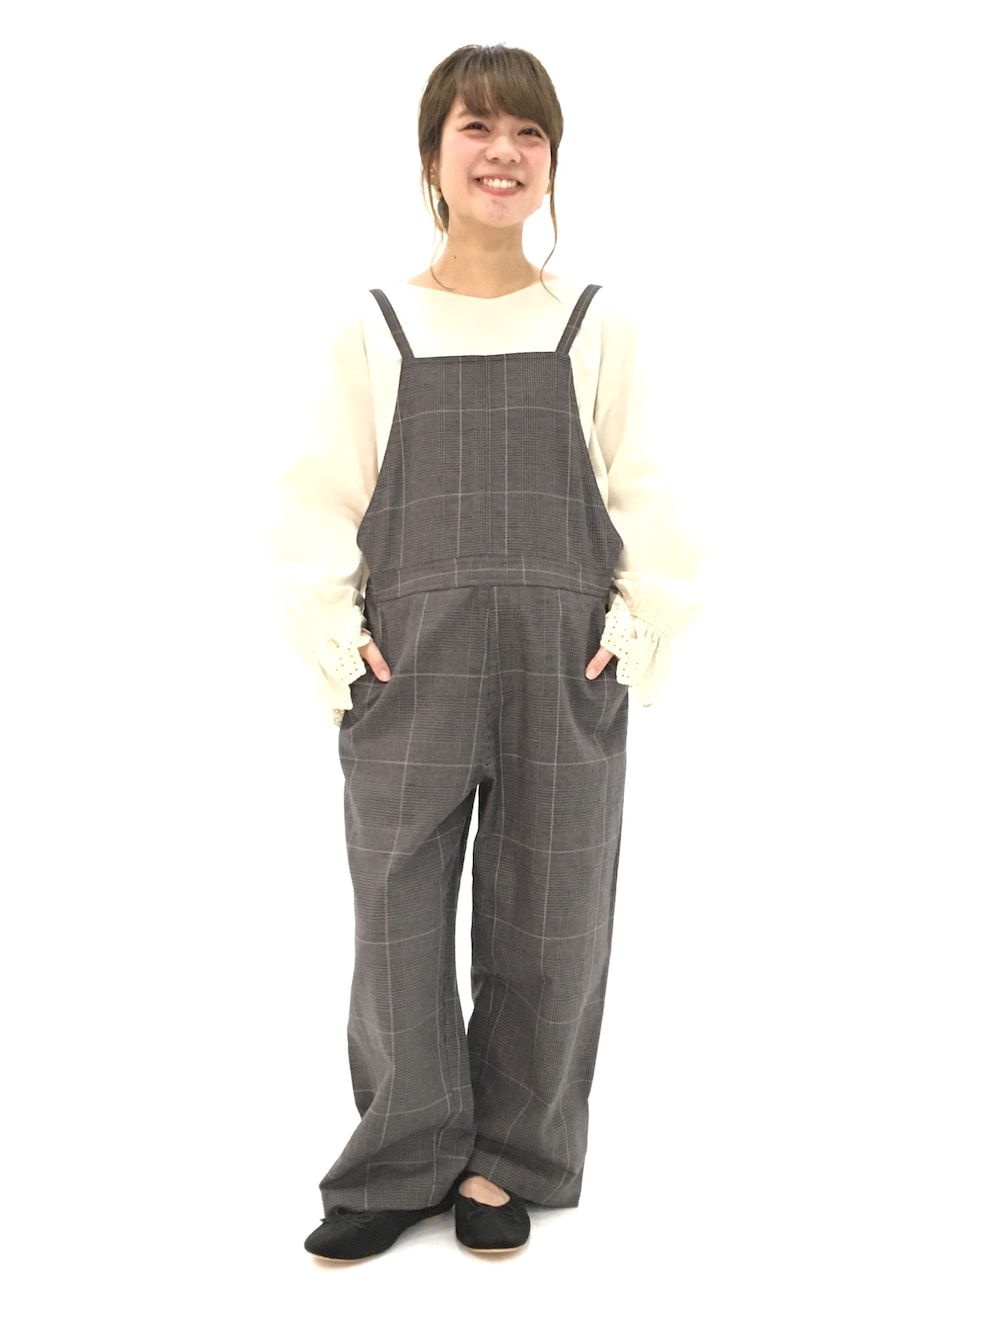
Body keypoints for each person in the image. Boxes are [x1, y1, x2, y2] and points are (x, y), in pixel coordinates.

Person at [273, 43, 700, 1261]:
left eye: (528, 132)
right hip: (411, 661)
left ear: (552, 160)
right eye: (477, 127)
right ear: (432, 155)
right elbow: (316, 499)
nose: (502, 152)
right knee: (395, 917)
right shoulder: (375, 324)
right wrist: (342, 638)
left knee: (552, 918)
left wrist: (633, 625)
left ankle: (508, 1157)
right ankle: (402, 1154)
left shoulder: (593, 323)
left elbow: (652, 491)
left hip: (565, 662)